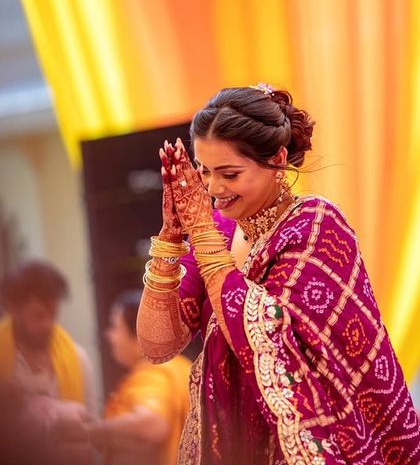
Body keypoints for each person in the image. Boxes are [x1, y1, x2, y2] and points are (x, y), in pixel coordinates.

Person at [137, 84, 420, 464]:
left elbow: (269, 337)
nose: (214, 188)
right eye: (204, 171)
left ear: (277, 159)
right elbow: (157, 344)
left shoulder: (315, 226)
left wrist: (201, 231)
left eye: (230, 173)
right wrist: (171, 235)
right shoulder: (218, 230)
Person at [0, 259, 96, 463]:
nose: (45, 325)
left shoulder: (77, 359)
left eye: (50, 314)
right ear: (14, 309)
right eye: (37, 316)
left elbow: (91, 428)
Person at [89, 289, 191, 465]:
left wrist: (92, 431)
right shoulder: (181, 366)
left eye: (115, 327)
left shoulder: (155, 372)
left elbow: (153, 424)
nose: (109, 335)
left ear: (139, 334)